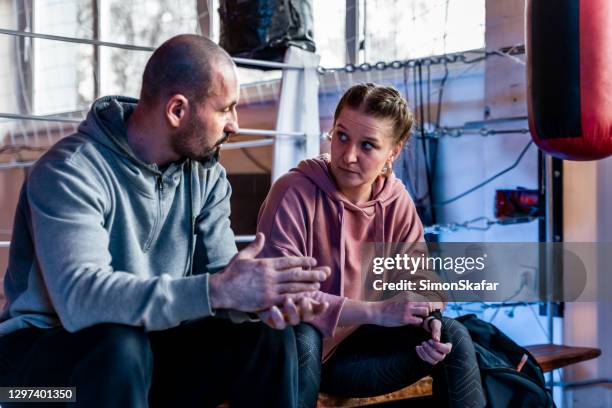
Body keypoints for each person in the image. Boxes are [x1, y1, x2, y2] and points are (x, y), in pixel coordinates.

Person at [0, 34, 330, 408]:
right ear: (177, 110)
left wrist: (258, 299)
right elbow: (82, 300)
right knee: (119, 346)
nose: (234, 124)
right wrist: (218, 290)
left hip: (147, 354)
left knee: (268, 337)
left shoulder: (205, 176)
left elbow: (223, 283)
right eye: (225, 109)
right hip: (34, 383)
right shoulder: (70, 171)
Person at [257, 83, 487, 407]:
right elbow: (283, 296)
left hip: (359, 355)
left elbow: (424, 282)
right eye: (341, 136)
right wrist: (377, 311)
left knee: (452, 336)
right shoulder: (293, 192)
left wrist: (428, 317)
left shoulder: (396, 201)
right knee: (303, 336)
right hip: (300, 355)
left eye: (367, 145)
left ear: (393, 151)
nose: (348, 155)